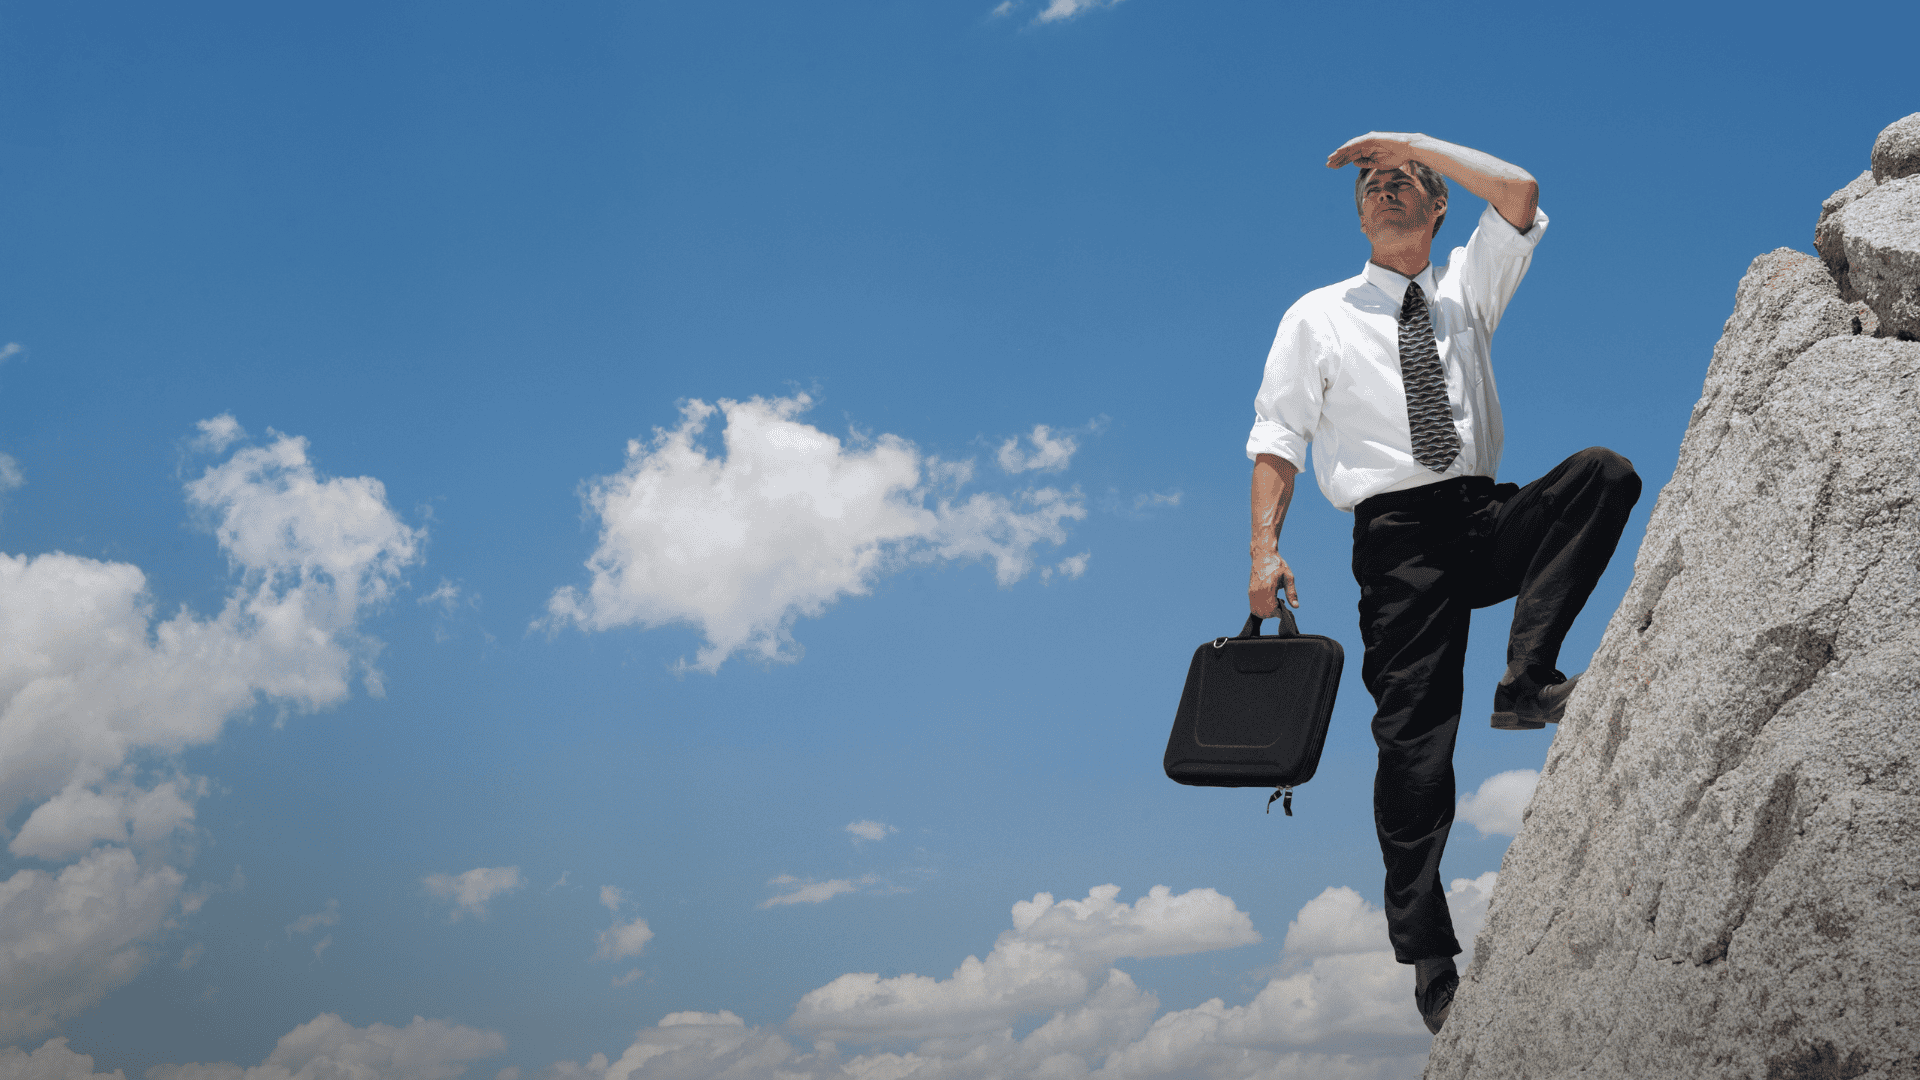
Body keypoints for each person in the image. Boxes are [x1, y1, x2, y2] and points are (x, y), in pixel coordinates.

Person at [1244, 132, 1641, 1034]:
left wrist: (1415, 142)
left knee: (1603, 475)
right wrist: (1264, 551)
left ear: (1438, 205)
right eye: (1371, 186)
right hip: (1398, 546)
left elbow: (1520, 191)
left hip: (1481, 514)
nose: (1383, 191)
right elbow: (1277, 438)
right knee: (1414, 749)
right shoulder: (1317, 316)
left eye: (1403, 182)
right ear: (1358, 216)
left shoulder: (1466, 288)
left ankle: (1527, 679)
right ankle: (1429, 954)